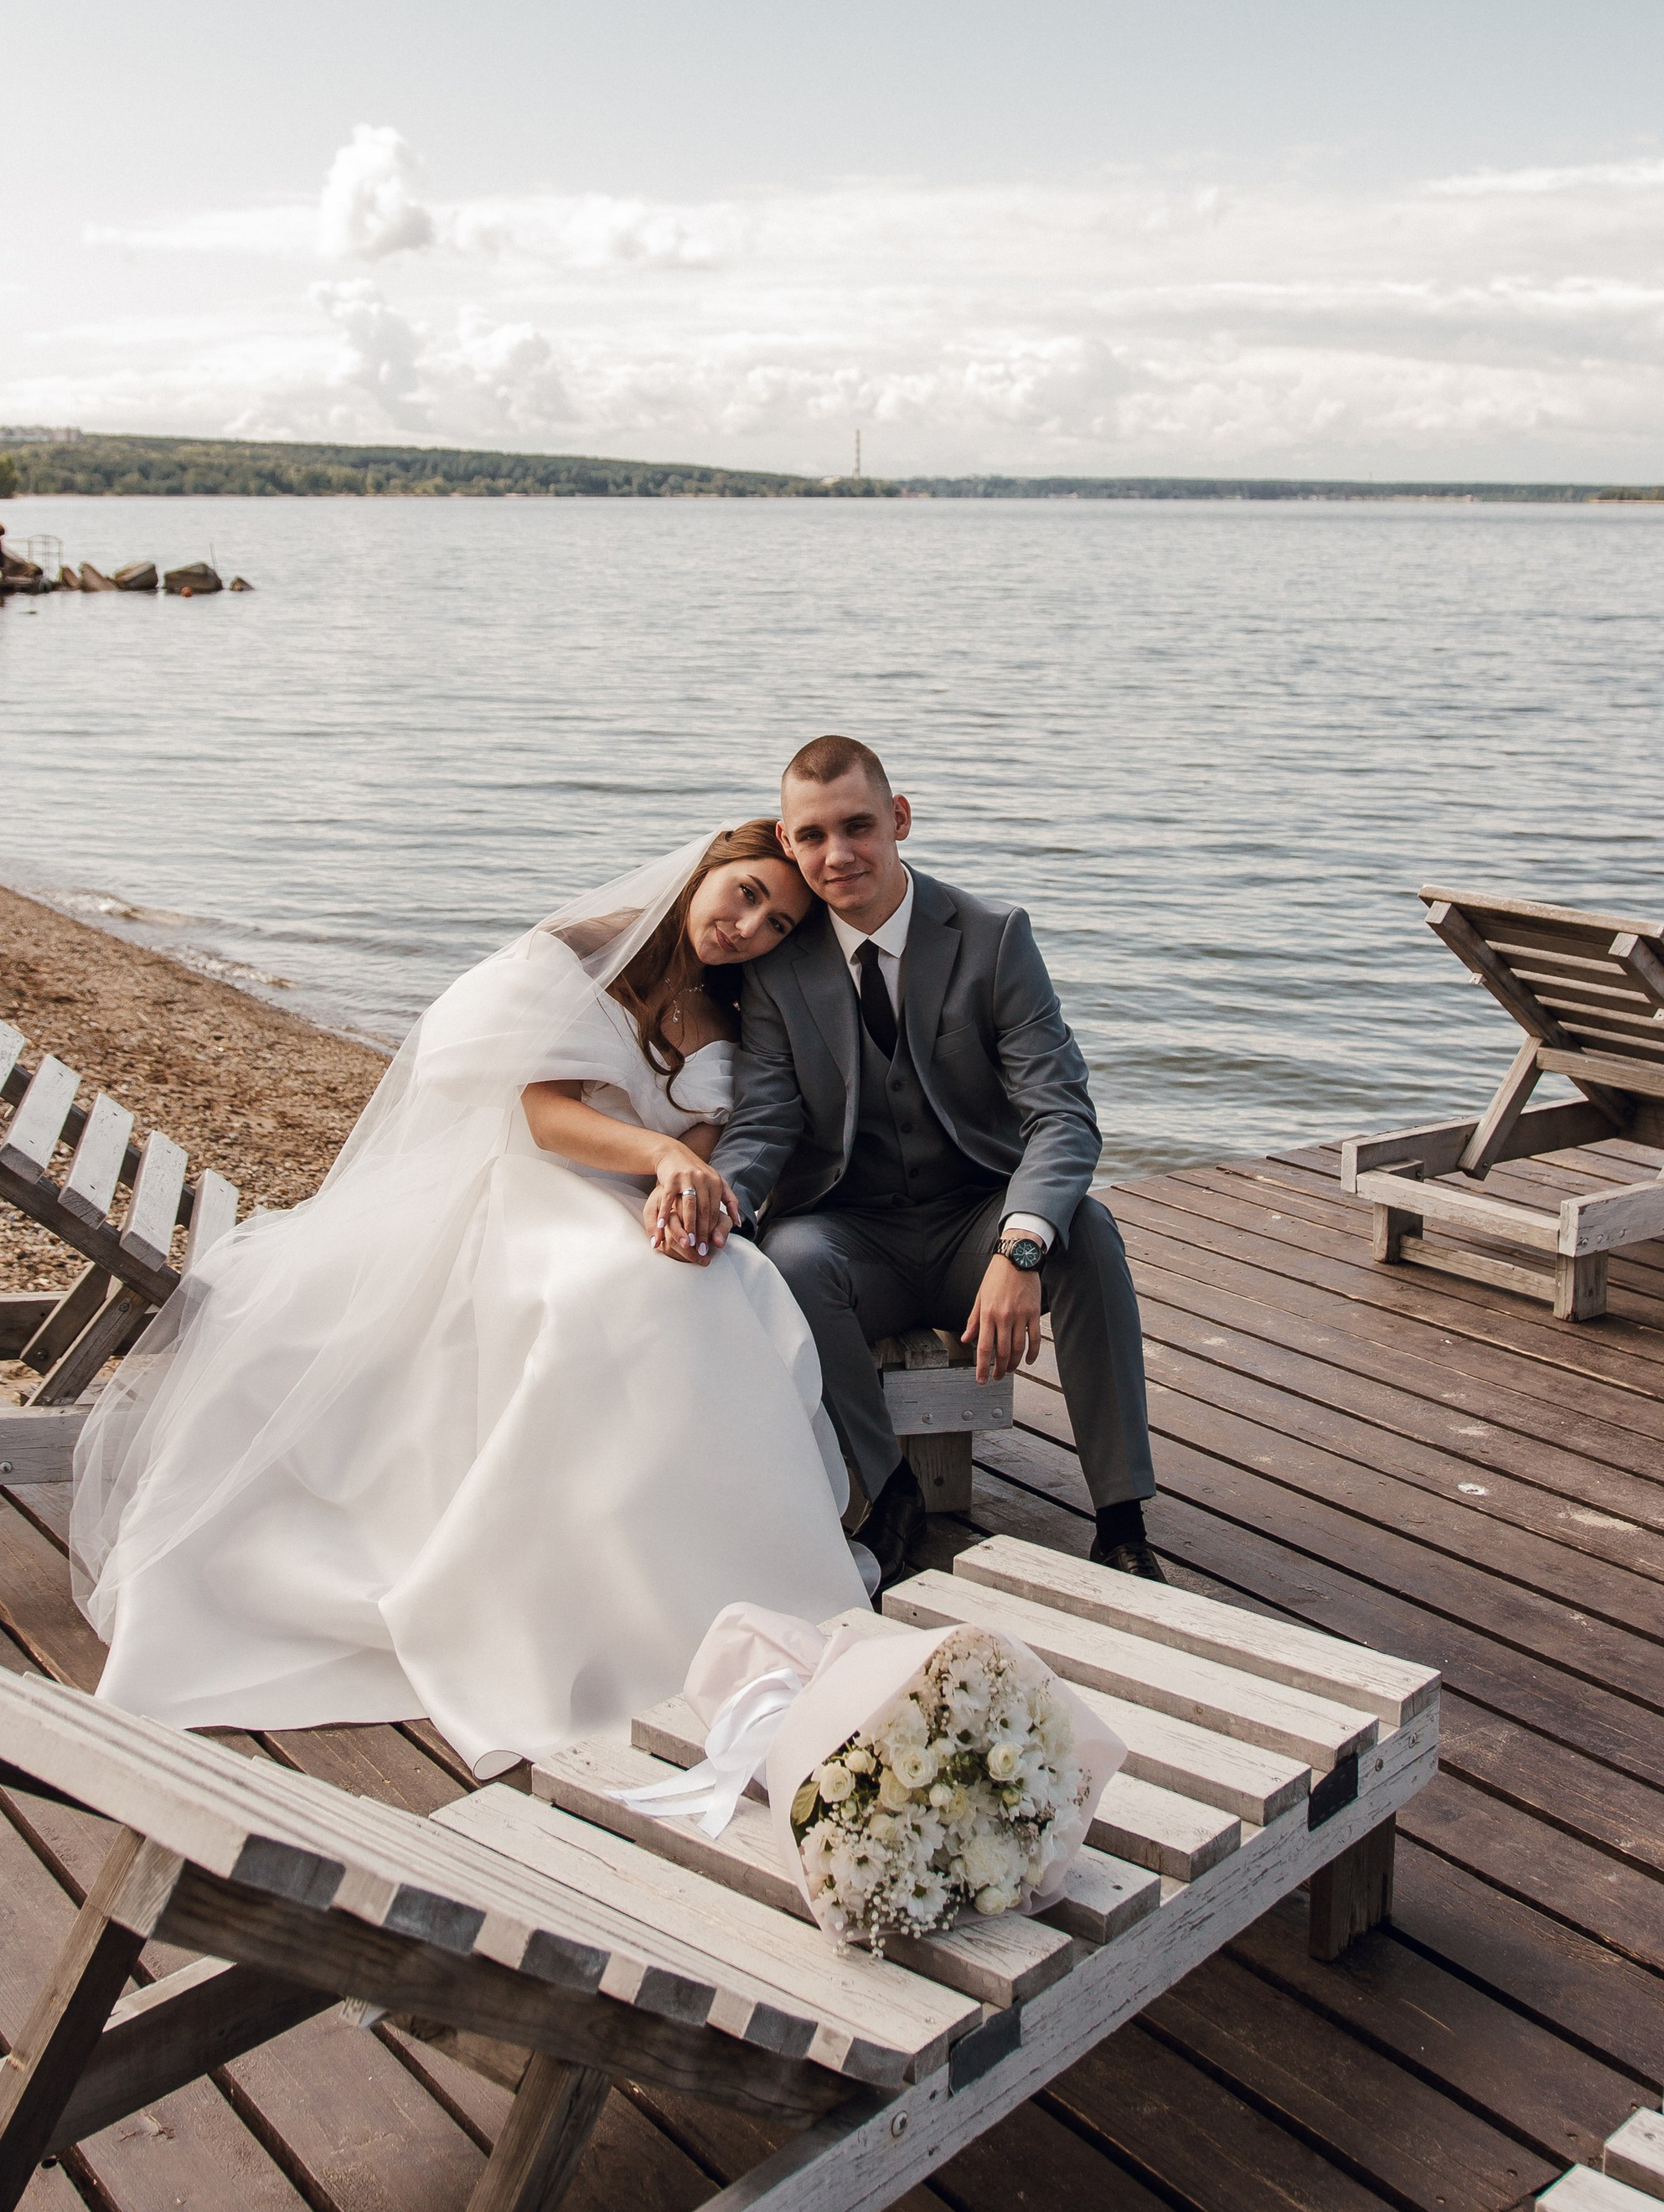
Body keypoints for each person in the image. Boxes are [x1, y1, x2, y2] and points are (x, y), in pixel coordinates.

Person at [72, 824, 869, 1771]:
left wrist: (683, 1191)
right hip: (537, 1189)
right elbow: (546, 1115)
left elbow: (710, 1132)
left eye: (777, 924)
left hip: (643, 1204)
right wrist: (660, 1157)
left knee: (734, 1284)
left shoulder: (732, 1001)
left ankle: (717, 1565)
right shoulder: (575, 959)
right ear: (705, 870)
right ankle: (601, 1600)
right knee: (614, 1298)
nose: (749, 928)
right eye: (745, 894)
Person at [691, 736, 1160, 1592]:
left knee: (1087, 1230)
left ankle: (1122, 1521)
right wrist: (725, 1204)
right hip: (853, 1234)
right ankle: (888, 1492)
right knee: (790, 1255)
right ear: (788, 842)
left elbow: (1061, 1114)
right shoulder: (777, 965)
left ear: (899, 819)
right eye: (812, 836)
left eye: (858, 827)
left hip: (973, 1225)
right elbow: (765, 1122)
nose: (837, 855)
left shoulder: (992, 937)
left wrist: (1019, 1248)